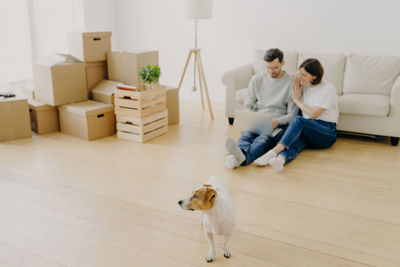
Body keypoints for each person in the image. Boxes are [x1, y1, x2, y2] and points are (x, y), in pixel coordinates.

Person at [255, 58, 339, 172]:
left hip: (326, 132)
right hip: (308, 129)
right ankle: (280, 160)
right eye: (300, 73)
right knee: (294, 140)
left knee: (298, 120)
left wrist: (297, 100)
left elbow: (314, 114)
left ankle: (273, 152)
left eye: (304, 75)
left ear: (314, 76)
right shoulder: (304, 82)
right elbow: (286, 75)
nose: (300, 77)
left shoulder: (327, 88)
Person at [225, 48, 298, 169]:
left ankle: (237, 158)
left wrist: (277, 121)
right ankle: (238, 155)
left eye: (275, 67)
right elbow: (248, 105)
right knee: (246, 135)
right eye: (268, 68)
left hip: (277, 123)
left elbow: (293, 114)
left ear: (282, 63)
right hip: (257, 119)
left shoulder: (290, 82)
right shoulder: (256, 79)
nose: (271, 71)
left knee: (262, 140)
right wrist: (249, 118)